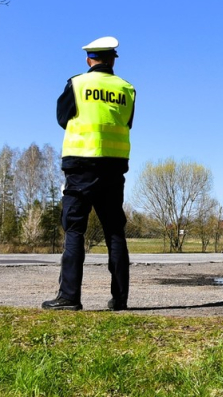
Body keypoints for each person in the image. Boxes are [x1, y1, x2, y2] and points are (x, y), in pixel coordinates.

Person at [42, 36, 136, 311]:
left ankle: (69, 297)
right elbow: (126, 122)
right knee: (114, 231)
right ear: (113, 60)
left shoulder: (77, 84)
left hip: (80, 165)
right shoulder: (127, 89)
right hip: (113, 167)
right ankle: (120, 299)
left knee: (74, 230)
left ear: (88, 59)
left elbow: (62, 119)